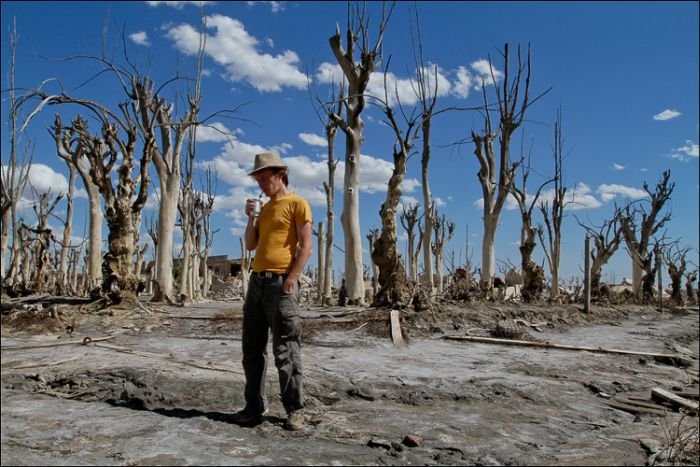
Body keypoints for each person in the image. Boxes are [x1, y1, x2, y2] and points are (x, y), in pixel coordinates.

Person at [231, 152, 313, 431]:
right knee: (251, 349)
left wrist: (292, 279)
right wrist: (250, 218)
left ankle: (295, 409)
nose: (263, 184)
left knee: (286, 349)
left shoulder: (298, 203)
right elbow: (251, 245)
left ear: (280, 175)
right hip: (257, 283)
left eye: (266, 178)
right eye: (259, 180)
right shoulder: (264, 208)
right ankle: (254, 407)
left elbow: (306, 246)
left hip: (281, 284)